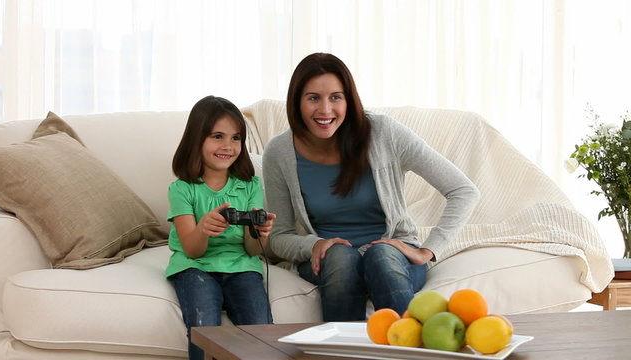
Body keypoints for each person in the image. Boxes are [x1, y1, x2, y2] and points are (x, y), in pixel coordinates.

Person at [262, 53, 480, 321]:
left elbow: (463, 190)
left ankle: (409, 348)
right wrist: (314, 245)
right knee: (341, 256)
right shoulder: (280, 152)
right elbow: (279, 235)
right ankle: (342, 350)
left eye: (335, 97)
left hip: (392, 258)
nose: (325, 110)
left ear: (348, 99)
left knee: (381, 255)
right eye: (313, 98)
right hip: (330, 263)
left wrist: (428, 249)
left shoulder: (384, 133)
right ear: (297, 101)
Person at [166, 95, 276, 360]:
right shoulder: (182, 189)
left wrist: (259, 234)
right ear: (197, 138)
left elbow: (252, 250)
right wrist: (203, 228)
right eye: (218, 136)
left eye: (236, 138)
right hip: (196, 267)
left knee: (262, 334)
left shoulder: (249, 186)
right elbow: (191, 250)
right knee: (205, 331)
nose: (228, 146)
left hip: (241, 267)